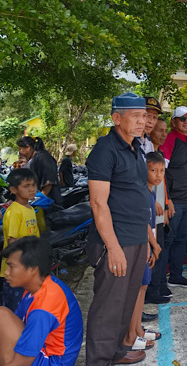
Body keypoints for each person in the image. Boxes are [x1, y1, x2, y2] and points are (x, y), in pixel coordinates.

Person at [85, 92, 151, 365]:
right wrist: (112, 248)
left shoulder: (136, 148)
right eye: (135, 116)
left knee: (124, 304)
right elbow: (98, 204)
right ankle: (99, 359)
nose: (142, 121)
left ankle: (115, 352)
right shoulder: (105, 150)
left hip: (136, 239)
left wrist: (148, 241)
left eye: (144, 116)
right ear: (116, 118)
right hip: (116, 241)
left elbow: (137, 194)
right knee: (108, 307)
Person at [0, 237, 83, 365]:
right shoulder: (39, 285)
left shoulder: (43, 309)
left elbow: (23, 361)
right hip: (44, 349)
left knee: (2, 316)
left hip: (52, 361)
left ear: (32, 269)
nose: (6, 272)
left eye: (12, 267)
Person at [123, 152, 164, 352]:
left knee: (143, 288)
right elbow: (142, 222)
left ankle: (138, 329)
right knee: (137, 290)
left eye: (162, 171)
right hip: (142, 246)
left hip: (147, 246)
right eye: (153, 170)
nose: (158, 175)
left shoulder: (150, 192)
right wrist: (153, 245)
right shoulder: (141, 192)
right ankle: (131, 334)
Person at [161, 106, 187, 289]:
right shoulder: (169, 140)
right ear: (173, 121)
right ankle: (160, 279)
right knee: (168, 239)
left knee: (182, 239)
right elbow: (161, 172)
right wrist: (167, 200)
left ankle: (176, 275)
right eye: (182, 119)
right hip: (174, 201)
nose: (186, 122)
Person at [1, 169, 40, 311]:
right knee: (13, 307)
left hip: (27, 266)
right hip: (16, 269)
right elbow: (12, 242)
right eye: (26, 186)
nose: (31, 189)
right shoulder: (14, 212)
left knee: (25, 305)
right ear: (13, 189)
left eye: (33, 185)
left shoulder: (29, 209)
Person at [145, 118, 174, 305]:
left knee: (161, 249)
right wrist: (156, 202)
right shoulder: (146, 153)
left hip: (160, 209)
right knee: (152, 251)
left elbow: (161, 182)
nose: (164, 134)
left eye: (165, 130)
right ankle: (151, 291)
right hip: (150, 210)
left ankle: (159, 285)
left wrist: (166, 202)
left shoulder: (159, 153)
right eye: (160, 130)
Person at [17, 137, 62, 206]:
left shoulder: (43, 157)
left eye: (20, 149)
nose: (20, 152)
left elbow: (49, 182)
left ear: (28, 147)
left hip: (49, 203)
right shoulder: (34, 158)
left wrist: (39, 200)